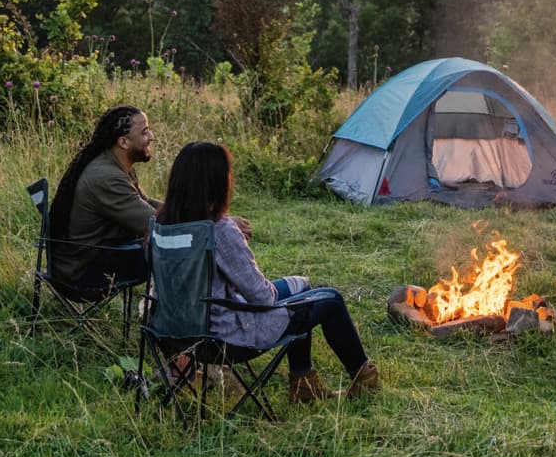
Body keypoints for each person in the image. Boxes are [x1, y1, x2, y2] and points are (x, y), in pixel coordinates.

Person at [158, 140, 380, 403]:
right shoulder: (220, 231)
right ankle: (363, 379)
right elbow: (264, 298)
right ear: (218, 183)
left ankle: (304, 382)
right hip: (225, 336)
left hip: (177, 330)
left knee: (301, 287)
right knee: (330, 300)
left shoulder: (163, 226)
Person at [47, 105, 158, 294]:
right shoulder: (107, 177)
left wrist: (199, 212)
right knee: (179, 251)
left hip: (91, 258)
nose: (151, 137)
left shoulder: (115, 163)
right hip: (82, 273)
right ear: (124, 142)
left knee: (176, 243)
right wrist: (201, 220)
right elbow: (154, 221)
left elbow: (146, 203)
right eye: (145, 132)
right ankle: (178, 318)